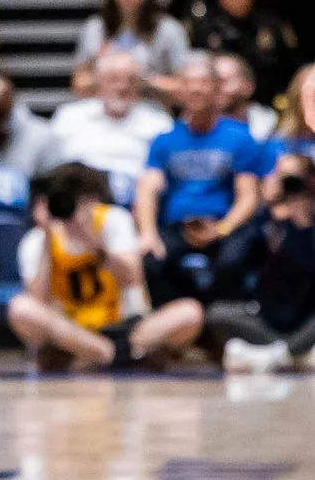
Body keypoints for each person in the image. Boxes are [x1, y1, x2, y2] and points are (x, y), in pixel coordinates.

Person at [8, 163, 202, 369]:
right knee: (21, 308)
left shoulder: (113, 220)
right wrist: (47, 238)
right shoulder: (37, 239)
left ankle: (91, 356)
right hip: (72, 331)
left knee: (190, 313)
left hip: (124, 327)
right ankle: (110, 354)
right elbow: (38, 300)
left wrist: (95, 244)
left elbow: (132, 277)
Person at [135, 56, 261, 303]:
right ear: (179, 91)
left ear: (216, 90)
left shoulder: (240, 138)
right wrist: (148, 233)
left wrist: (223, 228)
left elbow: (248, 196)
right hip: (178, 228)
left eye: (203, 82)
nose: (195, 89)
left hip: (224, 226)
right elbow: (148, 187)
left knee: (233, 260)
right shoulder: (164, 140)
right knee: (151, 260)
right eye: (188, 83)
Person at [209, 167, 315, 375]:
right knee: (216, 314)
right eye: (281, 177)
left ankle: (276, 354)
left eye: (293, 179)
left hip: (307, 318)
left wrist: (303, 227)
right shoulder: (262, 220)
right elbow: (230, 262)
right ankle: (289, 354)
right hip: (264, 317)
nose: (287, 185)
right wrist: (262, 211)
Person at [49, 47, 170, 184]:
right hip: (81, 192)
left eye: (130, 80)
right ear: (98, 82)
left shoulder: (159, 123)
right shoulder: (69, 117)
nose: (122, 87)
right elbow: (52, 167)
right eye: (113, 79)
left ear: (138, 85)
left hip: (135, 196)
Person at [72, 0, 190, 90]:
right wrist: (112, 75)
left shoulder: (169, 29)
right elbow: (78, 85)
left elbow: (184, 88)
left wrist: (146, 80)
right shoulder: (94, 28)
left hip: (149, 105)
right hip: (102, 106)